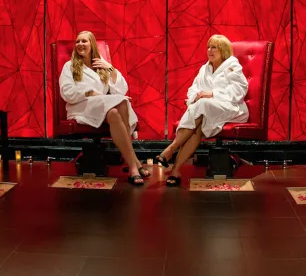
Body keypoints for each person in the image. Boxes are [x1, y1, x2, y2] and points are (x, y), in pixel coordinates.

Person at [155, 35, 249, 187]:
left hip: (232, 107)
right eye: (208, 47)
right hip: (207, 109)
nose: (209, 51)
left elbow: (239, 90)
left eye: (214, 47)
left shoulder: (233, 65)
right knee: (197, 123)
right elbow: (193, 89)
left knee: (202, 105)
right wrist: (196, 97)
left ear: (223, 50)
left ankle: (171, 149)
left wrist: (212, 94)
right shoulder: (205, 68)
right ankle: (176, 170)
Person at [58, 31, 148, 186]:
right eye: (77, 41)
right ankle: (134, 164)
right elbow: (66, 92)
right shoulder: (70, 66)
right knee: (119, 103)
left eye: (84, 41)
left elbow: (120, 89)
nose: (80, 44)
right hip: (81, 106)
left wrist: (110, 68)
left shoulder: (101, 66)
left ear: (91, 44)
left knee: (117, 107)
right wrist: (88, 92)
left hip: (102, 106)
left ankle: (132, 164)